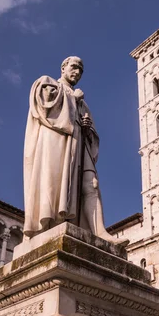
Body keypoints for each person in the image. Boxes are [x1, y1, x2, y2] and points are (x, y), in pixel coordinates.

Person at [23, 56, 126, 244]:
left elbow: (92, 134)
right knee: (53, 182)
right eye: (74, 67)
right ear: (63, 67)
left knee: (92, 183)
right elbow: (44, 106)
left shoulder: (83, 102)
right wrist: (72, 98)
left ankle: (99, 231)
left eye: (81, 70)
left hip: (79, 145)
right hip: (56, 142)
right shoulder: (48, 82)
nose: (77, 73)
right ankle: (49, 225)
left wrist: (87, 128)